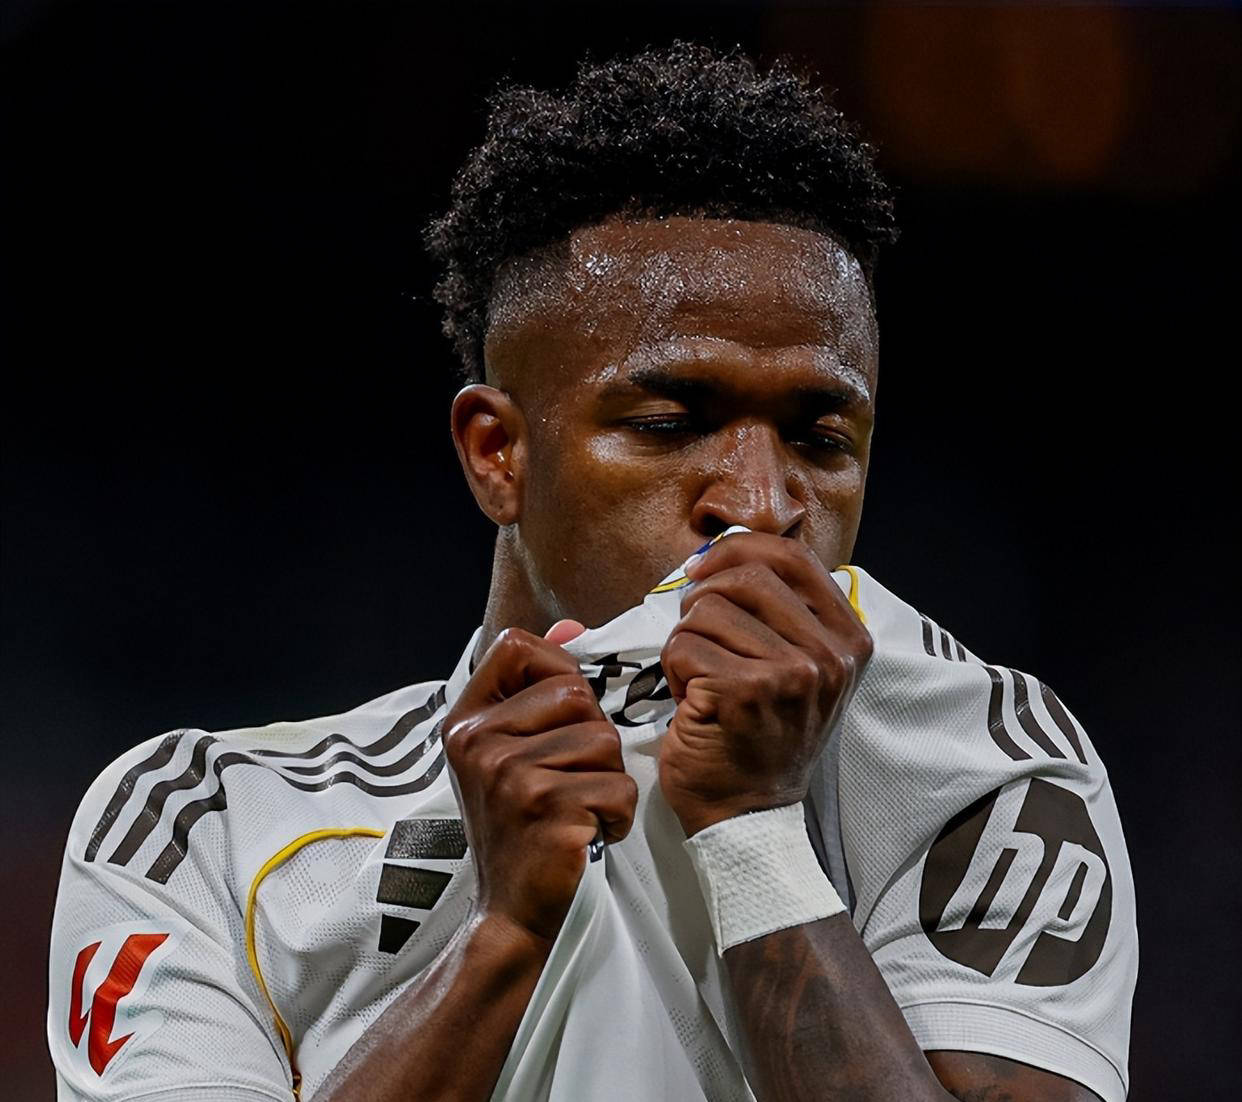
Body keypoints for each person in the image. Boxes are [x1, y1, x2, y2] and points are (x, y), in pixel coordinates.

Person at [47, 41, 1137, 1102]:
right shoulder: (207, 824)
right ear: (499, 454)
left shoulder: (974, 758)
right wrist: (501, 939)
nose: (761, 502)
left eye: (820, 439)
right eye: (669, 424)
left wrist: (754, 834)